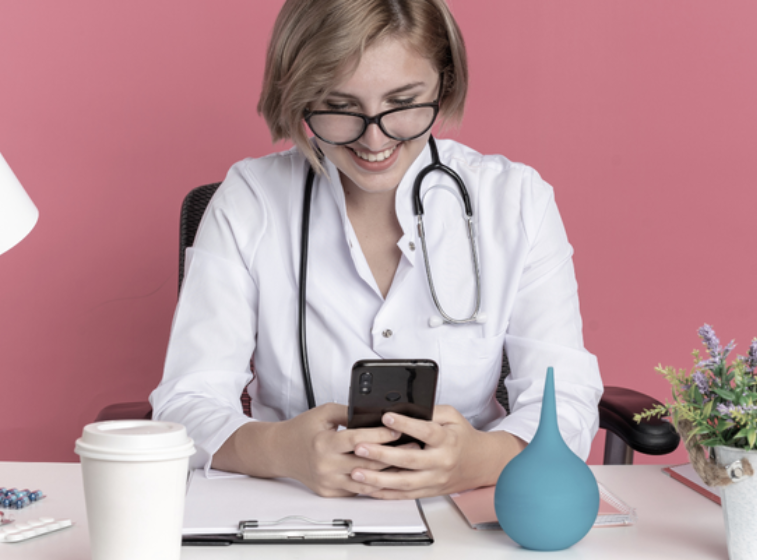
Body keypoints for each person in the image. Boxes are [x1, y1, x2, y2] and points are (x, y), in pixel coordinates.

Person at [150, 0, 603, 500]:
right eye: (340, 107)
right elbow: (185, 404)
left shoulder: (516, 201)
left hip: (467, 508)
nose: (373, 139)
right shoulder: (249, 201)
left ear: (445, 83)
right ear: (299, 96)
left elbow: (566, 400)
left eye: (403, 102)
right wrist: (282, 451)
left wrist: (477, 459)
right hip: (294, 508)